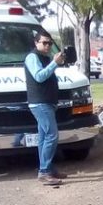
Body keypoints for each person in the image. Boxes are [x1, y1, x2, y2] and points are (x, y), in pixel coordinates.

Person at [25, 31, 67, 185]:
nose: (48, 45)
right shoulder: (32, 57)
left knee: (43, 138)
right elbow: (39, 76)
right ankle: (44, 172)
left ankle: (48, 168)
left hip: (47, 102)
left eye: (50, 43)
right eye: (44, 42)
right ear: (36, 43)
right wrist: (55, 63)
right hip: (40, 103)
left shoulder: (45, 58)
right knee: (51, 136)